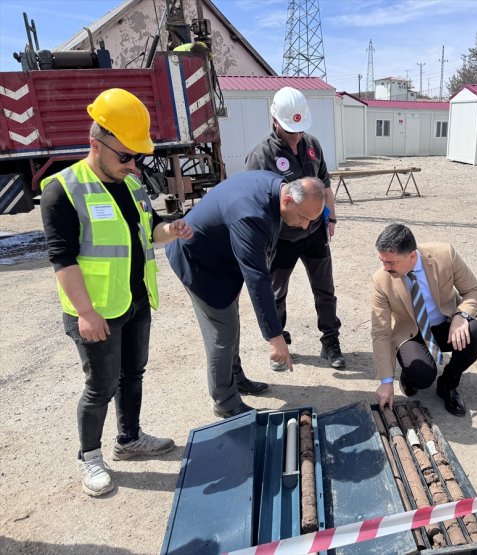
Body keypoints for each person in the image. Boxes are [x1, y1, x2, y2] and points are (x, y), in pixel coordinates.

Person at [40, 88, 192, 497]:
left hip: (135, 300)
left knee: (132, 375)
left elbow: (151, 228)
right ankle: (89, 457)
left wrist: (170, 230)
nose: (132, 164)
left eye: (136, 157)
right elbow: (63, 259)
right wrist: (86, 314)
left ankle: (129, 440)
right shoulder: (63, 189)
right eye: (125, 156)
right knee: (100, 386)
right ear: (96, 144)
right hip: (96, 311)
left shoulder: (131, 184)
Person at [166, 173, 325, 419]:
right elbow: (257, 278)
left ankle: (235, 378)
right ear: (288, 200)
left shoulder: (276, 186)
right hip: (199, 262)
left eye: (312, 221)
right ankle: (225, 402)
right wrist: (275, 337)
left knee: (231, 321)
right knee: (222, 332)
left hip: (223, 257)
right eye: (304, 218)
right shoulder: (251, 214)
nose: (305, 226)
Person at [245, 87, 345, 371]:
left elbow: (324, 185)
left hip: (314, 234)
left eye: (299, 130)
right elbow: (254, 203)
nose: (296, 136)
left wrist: (330, 218)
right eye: (290, 130)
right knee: (276, 294)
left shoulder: (312, 144)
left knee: (325, 290)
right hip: (281, 239)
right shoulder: (260, 156)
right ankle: (280, 342)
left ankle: (330, 340)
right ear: (274, 120)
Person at [372, 223, 477, 416]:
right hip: (411, 332)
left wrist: (461, 316)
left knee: (476, 333)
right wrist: (386, 381)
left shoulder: (445, 255)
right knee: (422, 376)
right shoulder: (381, 280)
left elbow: (473, 290)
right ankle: (408, 377)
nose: (385, 268)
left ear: (412, 256)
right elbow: (381, 331)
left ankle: (447, 384)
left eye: (391, 263)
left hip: (446, 324)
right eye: (382, 261)